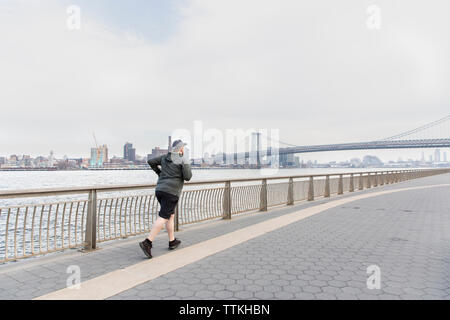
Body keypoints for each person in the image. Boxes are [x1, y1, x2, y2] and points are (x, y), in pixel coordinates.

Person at [139, 139, 192, 259]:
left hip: (160, 190)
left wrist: (159, 173)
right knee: (163, 217)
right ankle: (147, 242)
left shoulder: (165, 157)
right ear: (180, 148)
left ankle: (172, 241)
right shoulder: (182, 159)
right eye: (183, 147)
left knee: (170, 216)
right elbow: (188, 177)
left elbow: (151, 161)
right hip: (171, 192)